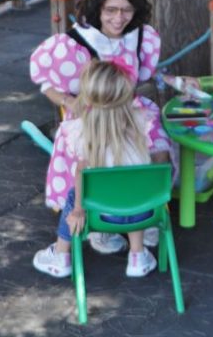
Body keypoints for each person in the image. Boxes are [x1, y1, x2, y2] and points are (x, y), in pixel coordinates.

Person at [30, 0, 171, 253]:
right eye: (111, 10)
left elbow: (143, 74)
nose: (119, 18)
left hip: (130, 112)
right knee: (93, 159)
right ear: (98, 7)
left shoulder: (140, 37)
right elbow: (46, 83)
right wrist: (70, 102)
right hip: (94, 117)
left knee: (158, 148)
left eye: (127, 10)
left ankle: (149, 208)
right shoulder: (77, 43)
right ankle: (100, 218)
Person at [33, 60, 161, 279]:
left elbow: (81, 174)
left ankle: (61, 255)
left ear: (89, 98)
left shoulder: (83, 133)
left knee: (74, 195)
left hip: (101, 216)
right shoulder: (141, 123)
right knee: (133, 187)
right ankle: (138, 255)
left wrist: (78, 211)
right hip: (143, 213)